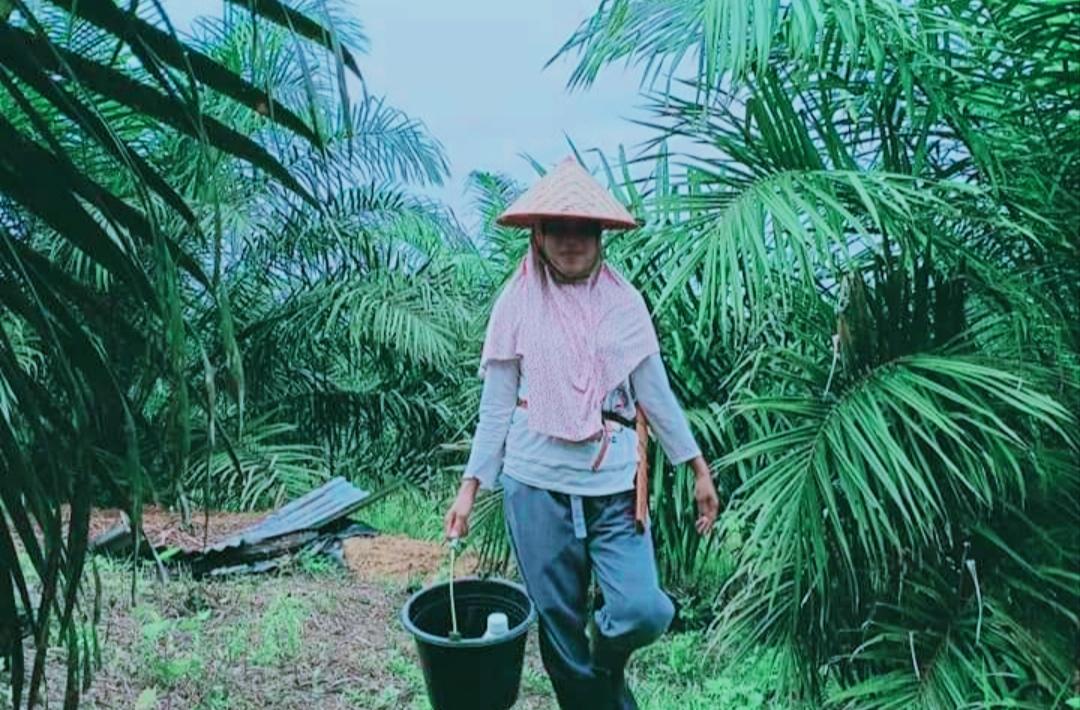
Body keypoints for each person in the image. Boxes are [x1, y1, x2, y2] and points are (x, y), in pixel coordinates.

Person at [443, 157, 720, 709]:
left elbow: (655, 395)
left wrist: (696, 466)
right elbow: (496, 407)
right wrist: (471, 488)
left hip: (613, 486)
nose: (572, 241)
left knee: (644, 609)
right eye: (559, 229)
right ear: (539, 235)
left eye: (583, 229)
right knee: (559, 632)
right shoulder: (515, 303)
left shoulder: (625, 304)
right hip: (535, 483)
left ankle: (607, 660)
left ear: (600, 236)